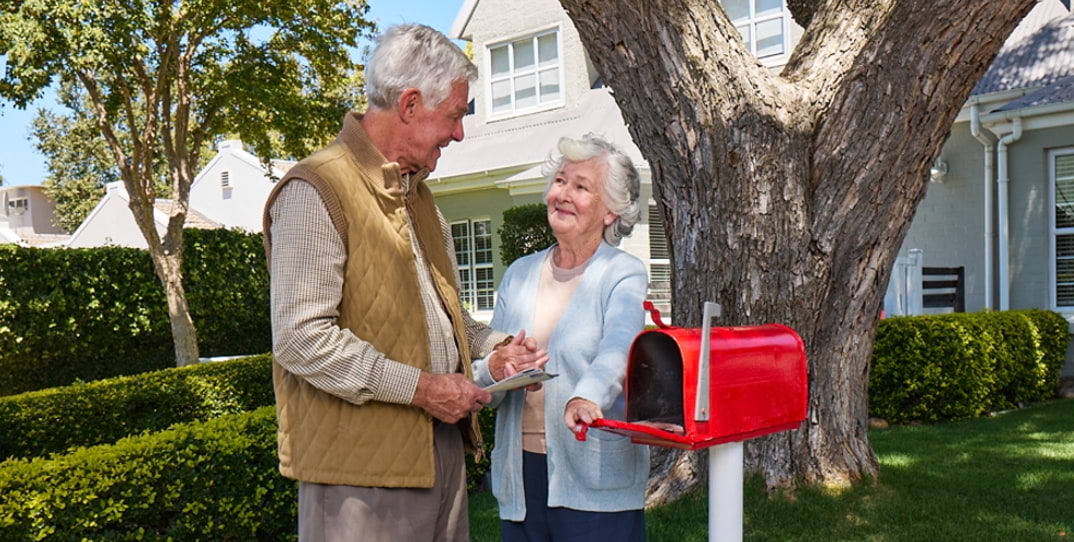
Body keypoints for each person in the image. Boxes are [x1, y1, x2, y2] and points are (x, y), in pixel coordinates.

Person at [262, 24, 545, 541]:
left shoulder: (419, 198)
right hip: (359, 476)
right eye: (456, 115)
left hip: (438, 450)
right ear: (411, 104)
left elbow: (440, 316)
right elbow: (301, 339)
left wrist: (498, 349)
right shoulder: (315, 189)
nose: (460, 133)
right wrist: (423, 389)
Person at [472, 134, 650, 541]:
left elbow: (619, 346)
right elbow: (490, 366)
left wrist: (586, 396)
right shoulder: (519, 273)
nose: (563, 194)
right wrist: (496, 369)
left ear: (610, 211)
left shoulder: (621, 272)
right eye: (560, 181)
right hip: (520, 472)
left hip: (594, 470)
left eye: (581, 186)